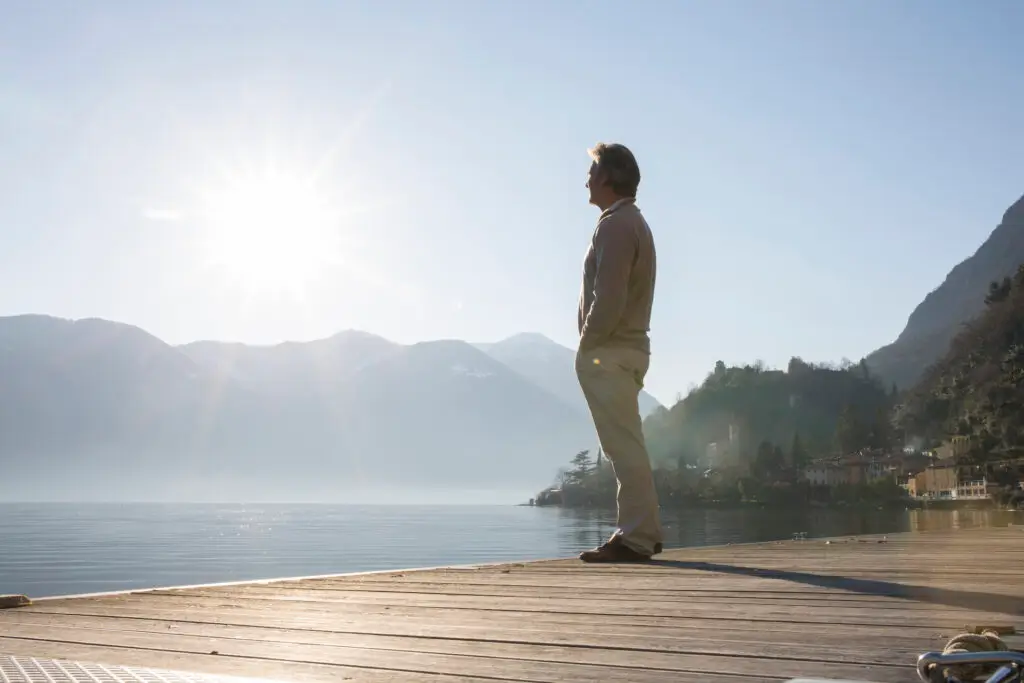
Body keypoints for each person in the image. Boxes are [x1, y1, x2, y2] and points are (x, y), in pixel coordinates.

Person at [576, 142, 663, 563]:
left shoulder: (614, 225)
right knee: (627, 443)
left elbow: (607, 298)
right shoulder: (635, 223)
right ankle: (640, 531)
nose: (587, 180)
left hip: (610, 351)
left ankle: (636, 537)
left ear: (609, 177)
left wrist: (587, 345)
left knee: (622, 446)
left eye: (592, 172)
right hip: (629, 348)